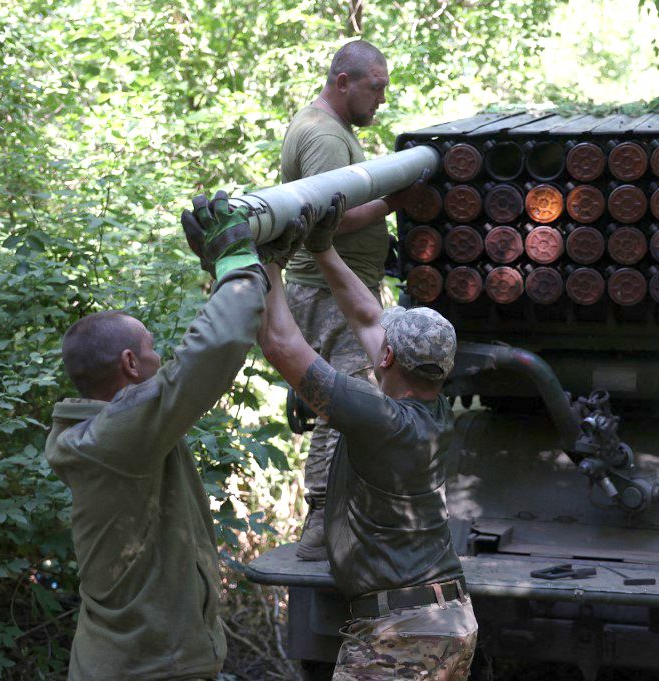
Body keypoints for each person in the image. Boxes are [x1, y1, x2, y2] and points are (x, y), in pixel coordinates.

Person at [44, 192, 305, 680]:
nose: (160, 358)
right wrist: (234, 261)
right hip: (148, 670)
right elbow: (211, 350)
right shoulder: (116, 436)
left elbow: (207, 344)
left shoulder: (114, 433)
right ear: (128, 364)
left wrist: (260, 265)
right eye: (152, 350)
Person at [257, 194, 477, 680]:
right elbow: (367, 318)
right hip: (447, 618)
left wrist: (265, 264)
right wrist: (322, 249)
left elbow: (281, 344)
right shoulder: (433, 406)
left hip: (403, 631)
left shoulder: (381, 419)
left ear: (387, 360)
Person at [280, 39, 416, 559]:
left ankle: (339, 516)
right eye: (375, 87)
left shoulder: (328, 129)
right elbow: (323, 219)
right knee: (345, 403)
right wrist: (392, 201)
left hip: (333, 290)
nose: (381, 99)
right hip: (326, 291)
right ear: (344, 82)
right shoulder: (324, 137)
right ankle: (321, 524)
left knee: (347, 401)